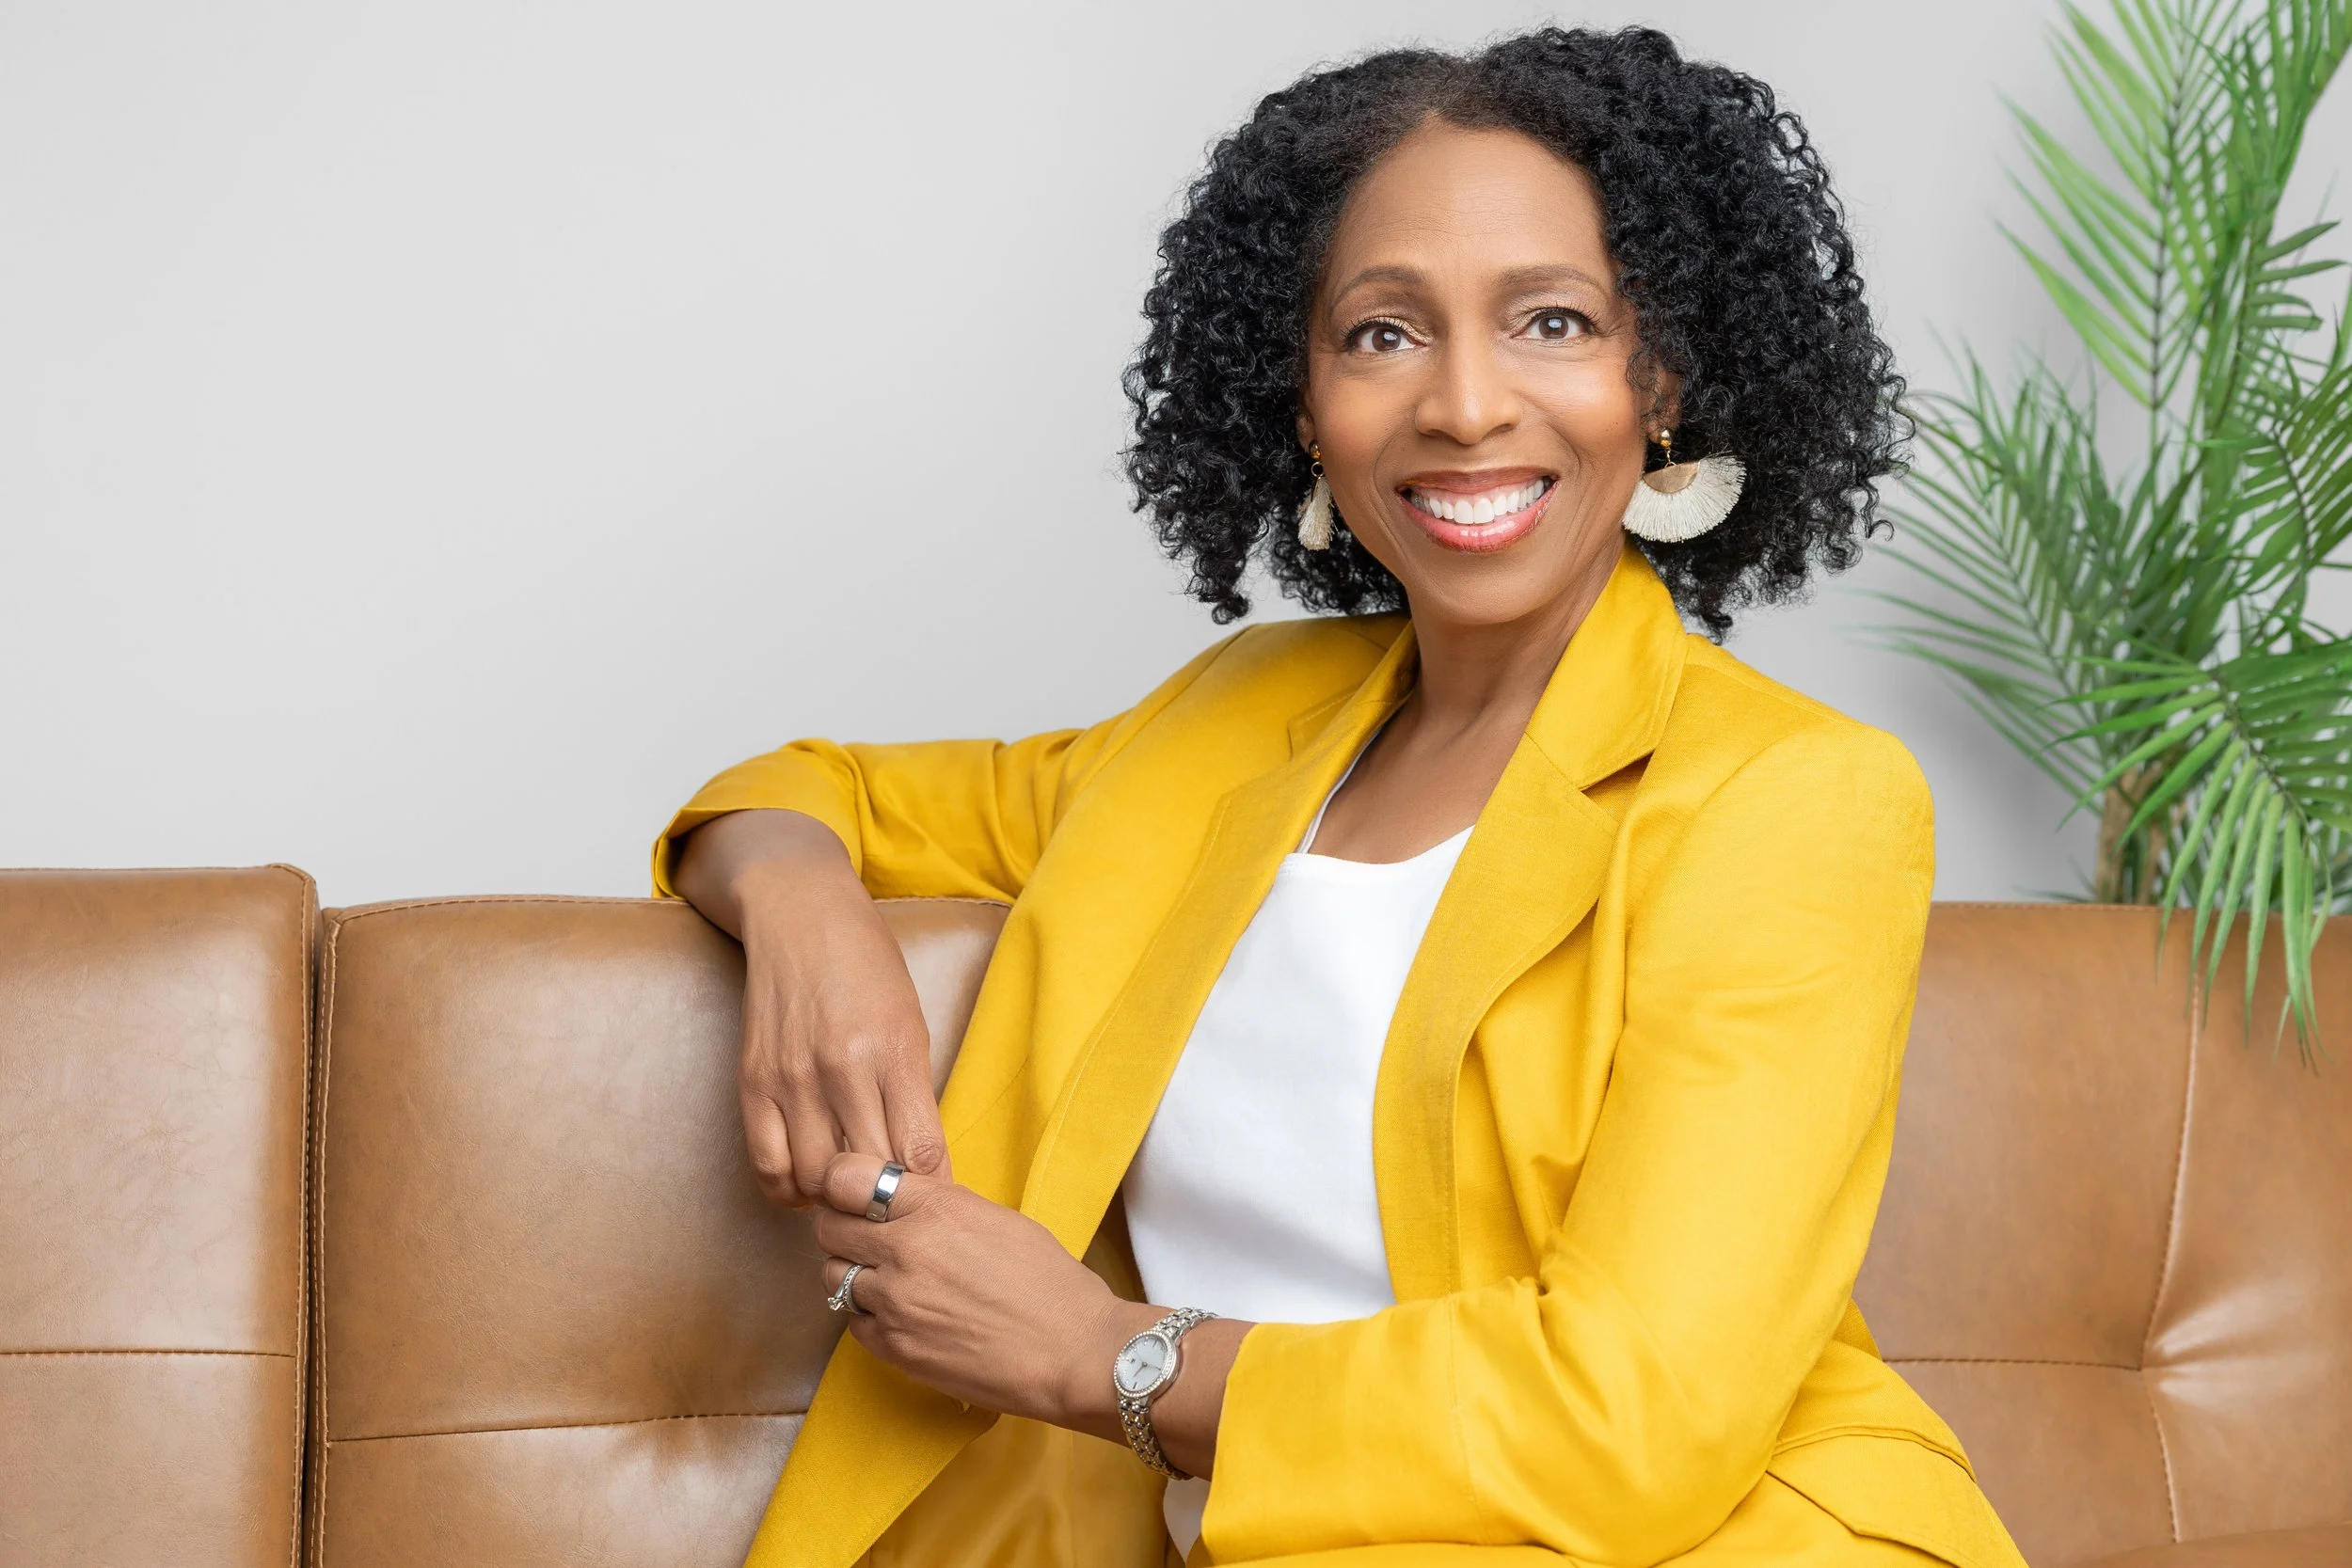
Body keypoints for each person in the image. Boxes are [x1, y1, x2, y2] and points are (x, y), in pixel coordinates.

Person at [658, 27, 2028, 1568]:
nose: (1461, 404)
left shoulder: (1792, 799)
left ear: (1662, 386)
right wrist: (801, 915)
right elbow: (800, 793)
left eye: (1555, 322)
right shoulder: (1220, 730)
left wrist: (1096, 1352)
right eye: (1382, 335)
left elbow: (1627, 1418)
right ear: (1304, 403)